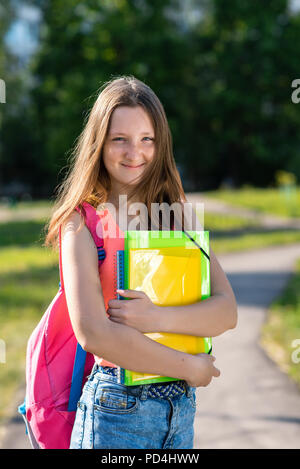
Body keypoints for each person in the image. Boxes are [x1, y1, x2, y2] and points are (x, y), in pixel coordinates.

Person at [44, 75, 237, 449]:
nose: (135, 153)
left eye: (147, 139)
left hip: (179, 409)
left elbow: (226, 311)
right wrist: (189, 367)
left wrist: (156, 318)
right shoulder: (80, 223)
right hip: (115, 408)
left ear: (160, 143)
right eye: (120, 140)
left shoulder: (177, 214)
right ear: (99, 144)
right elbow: (95, 334)